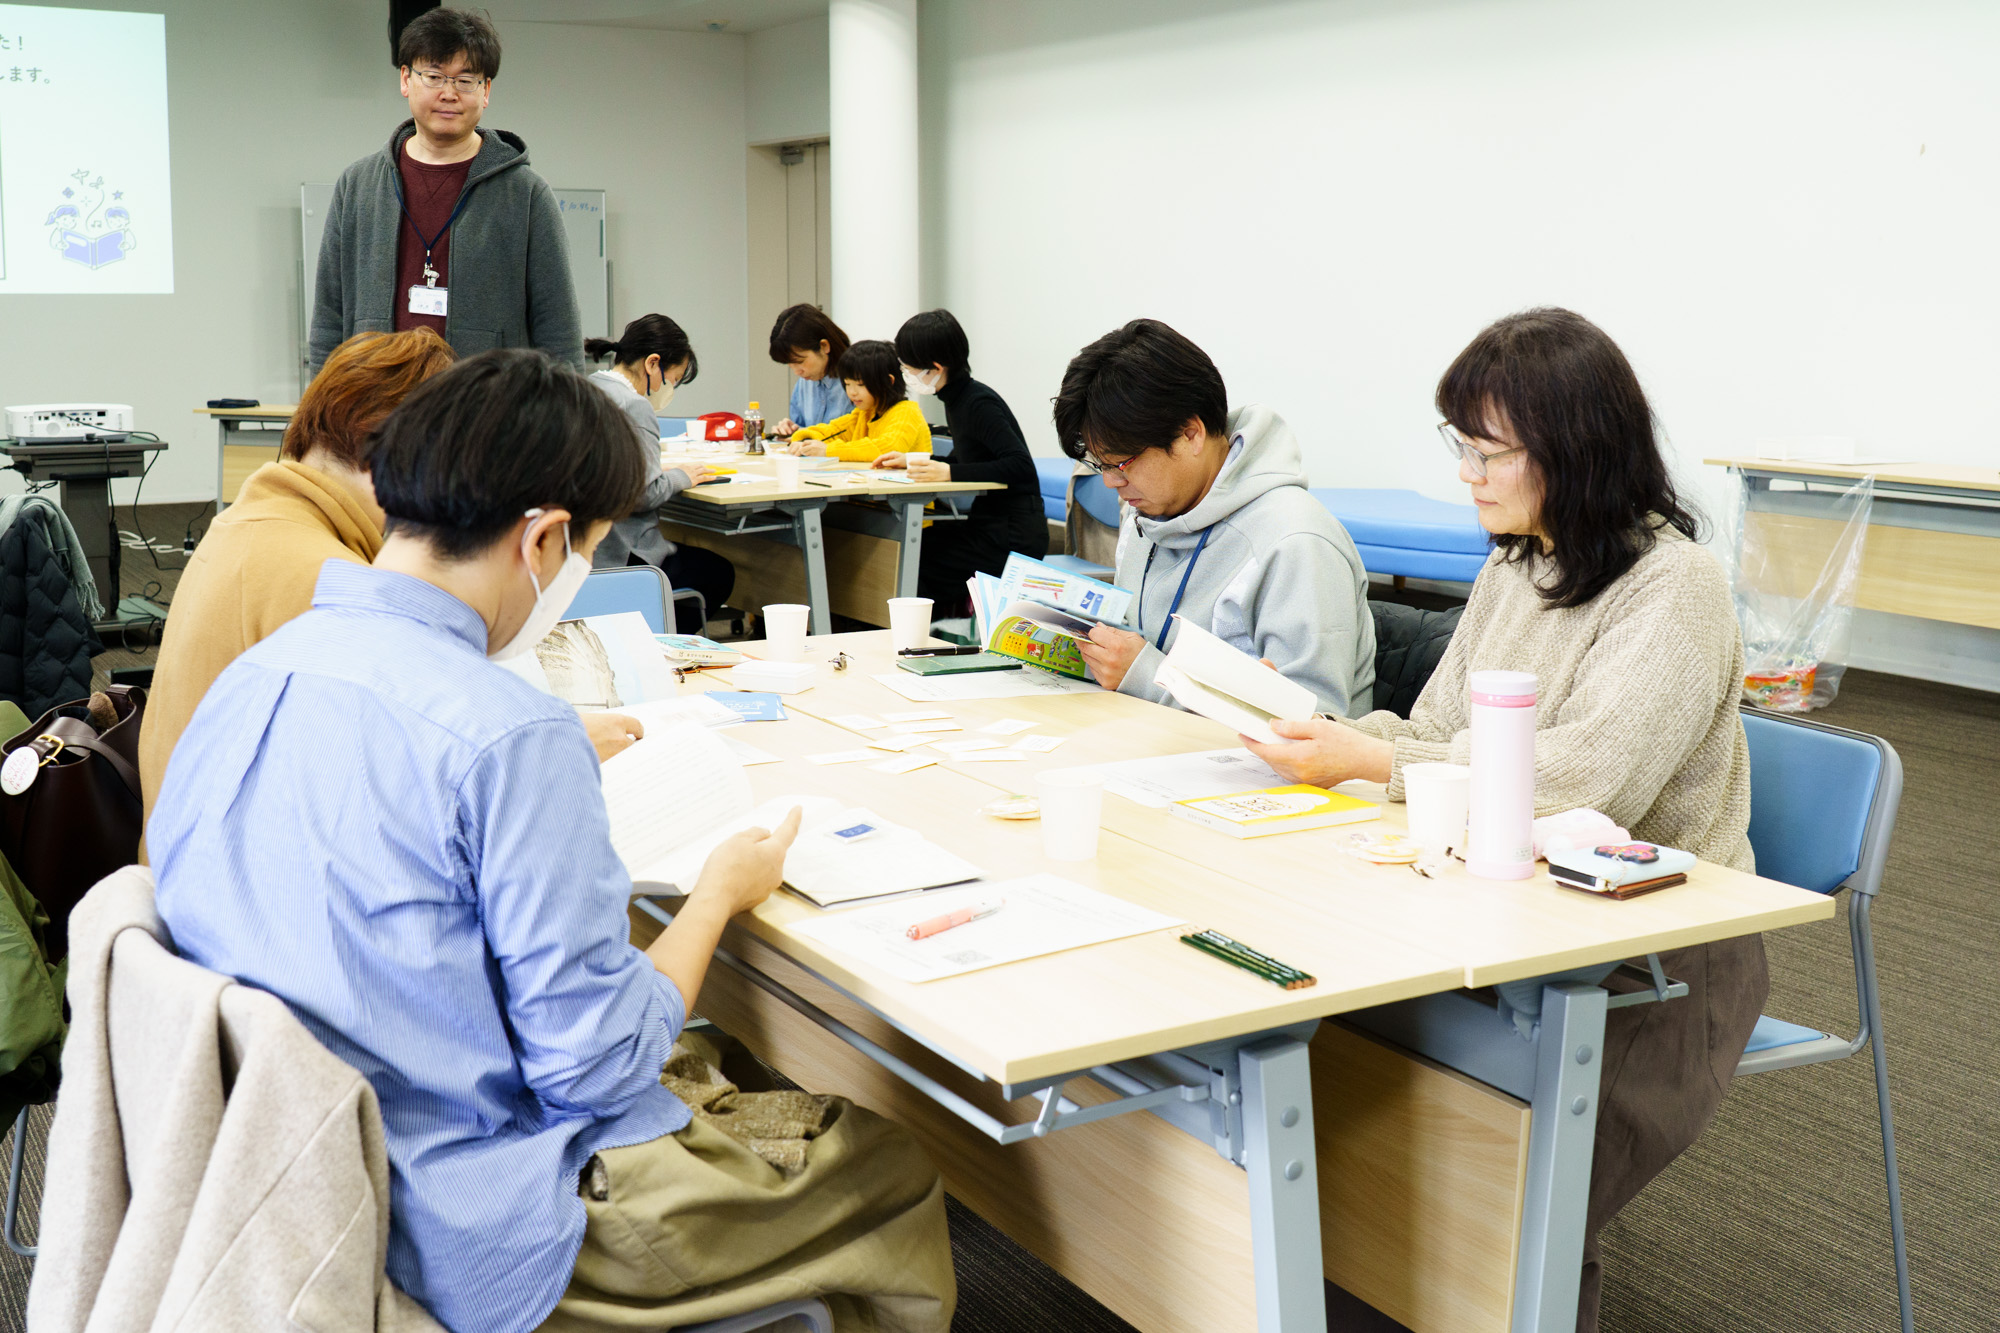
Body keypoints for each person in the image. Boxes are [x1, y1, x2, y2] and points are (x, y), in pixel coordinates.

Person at [148, 349, 956, 1333]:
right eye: (589, 552)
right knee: (894, 1167)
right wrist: (715, 895)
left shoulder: (261, 672)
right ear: (541, 541)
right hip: (467, 1220)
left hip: (276, 1185)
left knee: (700, 1061)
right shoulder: (502, 730)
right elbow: (596, 1068)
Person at [1244, 307, 1761, 1332]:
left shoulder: (1674, 588)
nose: (1468, 476)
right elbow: (1436, 725)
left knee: (1498, 1207)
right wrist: (1334, 737)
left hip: (1650, 953)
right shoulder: (1515, 560)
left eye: (1489, 452)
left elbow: (1580, 783)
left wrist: (1376, 762)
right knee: (1341, 1135)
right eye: (1463, 449)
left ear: (1571, 450)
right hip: (1493, 909)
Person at [1052, 318, 1374, 717]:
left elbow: (1314, 721)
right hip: (1148, 746)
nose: (1111, 482)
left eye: (1122, 462)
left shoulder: (1295, 543)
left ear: (1190, 434)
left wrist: (1145, 674)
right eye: (1101, 464)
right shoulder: (1145, 517)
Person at [307, 8, 580, 374]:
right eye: (434, 76)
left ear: (486, 92)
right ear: (405, 79)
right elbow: (329, 318)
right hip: (376, 415)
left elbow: (559, 331)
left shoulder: (527, 195)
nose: (449, 93)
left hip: (486, 415)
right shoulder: (357, 186)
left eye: (466, 81)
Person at [872, 309, 1047, 607]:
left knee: (918, 561)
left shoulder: (977, 403)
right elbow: (966, 459)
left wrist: (948, 473)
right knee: (909, 550)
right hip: (990, 523)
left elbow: (1019, 466)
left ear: (936, 367)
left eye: (908, 366)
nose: (906, 372)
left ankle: (929, 636)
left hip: (1012, 532)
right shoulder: (958, 399)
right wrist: (913, 460)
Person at [584, 314, 736, 632]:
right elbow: (643, 494)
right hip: (624, 555)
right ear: (653, 364)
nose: (671, 390)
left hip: (585, 554)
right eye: (674, 380)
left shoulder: (588, 387)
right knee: (719, 571)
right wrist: (681, 475)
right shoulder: (634, 406)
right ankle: (660, 642)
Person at [786, 340, 932, 462]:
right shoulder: (865, 413)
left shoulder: (906, 412)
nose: (852, 392)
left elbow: (884, 448)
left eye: (860, 384)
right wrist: (803, 440)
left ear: (888, 381)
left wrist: (829, 450)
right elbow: (833, 431)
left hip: (908, 494)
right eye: (847, 384)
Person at [767, 303, 854, 434]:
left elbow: (867, 438)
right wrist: (792, 430)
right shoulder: (805, 382)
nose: (797, 372)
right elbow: (805, 430)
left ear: (824, 346)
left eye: (800, 361)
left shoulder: (857, 380)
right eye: (790, 365)